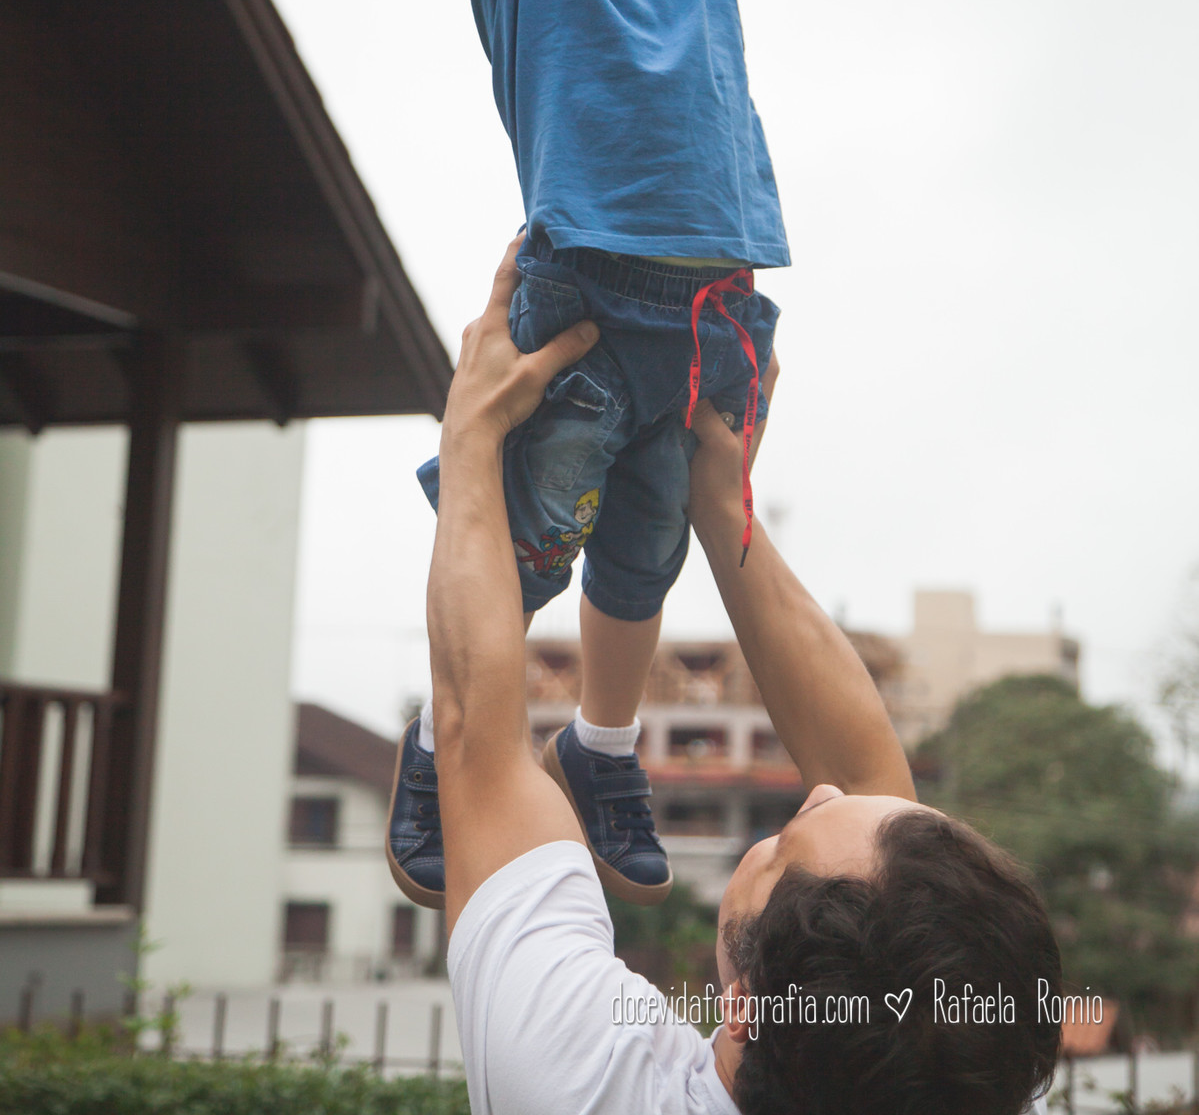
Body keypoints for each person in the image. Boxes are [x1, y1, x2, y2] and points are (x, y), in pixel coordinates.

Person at [395, 0, 848, 909]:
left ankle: (600, 751)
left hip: (714, 311)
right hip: (585, 298)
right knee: (525, 534)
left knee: (644, 553)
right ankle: (444, 736)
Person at [398, 239, 1061, 1115]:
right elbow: (867, 789)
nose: (820, 793)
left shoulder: (578, 1081)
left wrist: (474, 433)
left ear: (744, 1003)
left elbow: (475, 737)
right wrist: (723, 503)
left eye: (780, 843)